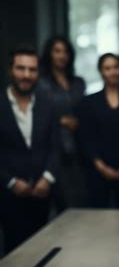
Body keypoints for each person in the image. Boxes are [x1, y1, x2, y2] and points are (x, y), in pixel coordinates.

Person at [0, 45, 60, 254]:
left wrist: (48, 178)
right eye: (20, 68)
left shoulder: (48, 104)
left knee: (43, 254)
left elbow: (55, 146)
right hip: (7, 196)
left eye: (32, 69)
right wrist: (10, 181)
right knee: (13, 255)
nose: (26, 75)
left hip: (42, 194)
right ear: (10, 70)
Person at [78, 53, 119, 208]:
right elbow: (86, 137)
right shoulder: (89, 102)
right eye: (107, 68)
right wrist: (101, 167)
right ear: (101, 72)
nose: (113, 72)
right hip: (98, 171)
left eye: (116, 67)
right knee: (99, 218)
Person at [38, 36, 86, 210]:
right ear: (49, 54)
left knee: (80, 200)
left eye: (65, 51)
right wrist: (61, 120)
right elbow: (38, 113)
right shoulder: (41, 83)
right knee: (60, 203)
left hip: (78, 146)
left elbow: (84, 111)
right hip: (53, 146)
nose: (62, 55)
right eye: (57, 51)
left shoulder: (78, 83)